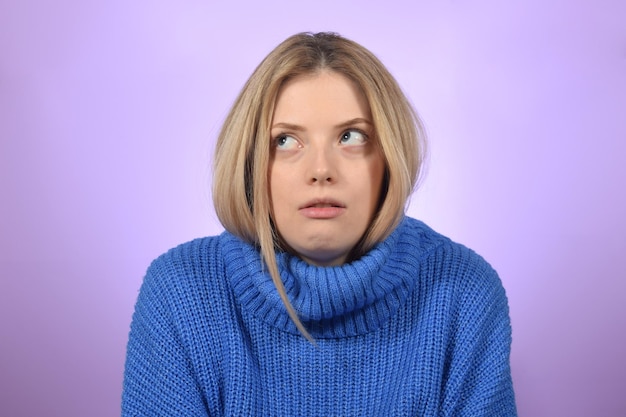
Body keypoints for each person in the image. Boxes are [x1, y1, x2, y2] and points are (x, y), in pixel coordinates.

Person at [122, 32, 517, 416]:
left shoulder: (464, 292)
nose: (321, 170)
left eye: (351, 136)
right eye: (285, 141)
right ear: (249, 163)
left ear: (390, 159)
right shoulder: (180, 292)